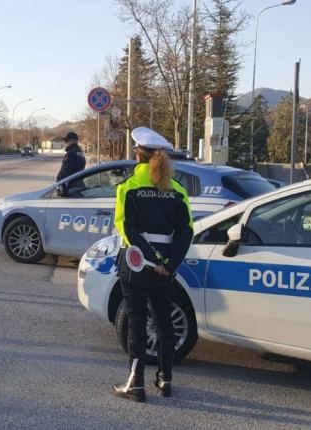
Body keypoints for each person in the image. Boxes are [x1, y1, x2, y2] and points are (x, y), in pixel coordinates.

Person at [112, 127, 193, 402]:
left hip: (136, 266)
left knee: (136, 322)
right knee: (163, 321)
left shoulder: (129, 187)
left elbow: (126, 230)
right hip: (166, 271)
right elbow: (186, 231)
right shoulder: (178, 189)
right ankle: (165, 379)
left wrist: (150, 259)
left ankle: (136, 384)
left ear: (138, 155)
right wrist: (168, 264)